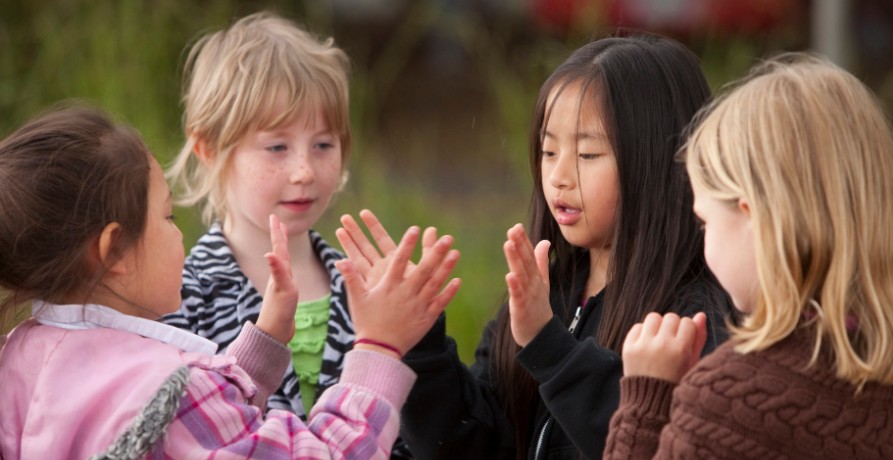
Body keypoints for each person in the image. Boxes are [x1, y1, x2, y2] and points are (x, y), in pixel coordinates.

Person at [336, 34, 735, 459]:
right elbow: (474, 445)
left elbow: (648, 442)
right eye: (548, 150)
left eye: (587, 154)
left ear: (658, 161)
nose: (559, 176)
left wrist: (549, 346)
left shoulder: (694, 320)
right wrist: (420, 344)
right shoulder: (548, 291)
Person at [0, 106, 461, 459]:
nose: (180, 233)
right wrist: (379, 347)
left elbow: (209, 436)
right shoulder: (171, 391)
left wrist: (261, 346)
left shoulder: (21, 358)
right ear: (114, 250)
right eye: (167, 217)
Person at [603, 53, 893, 459]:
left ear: (752, 217)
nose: (703, 240)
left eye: (705, 222)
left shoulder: (728, 400)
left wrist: (646, 400)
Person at [157, 11, 417, 453]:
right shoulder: (179, 293)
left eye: (323, 145)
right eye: (277, 146)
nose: (304, 171)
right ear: (208, 149)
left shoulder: (365, 285)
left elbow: (402, 430)